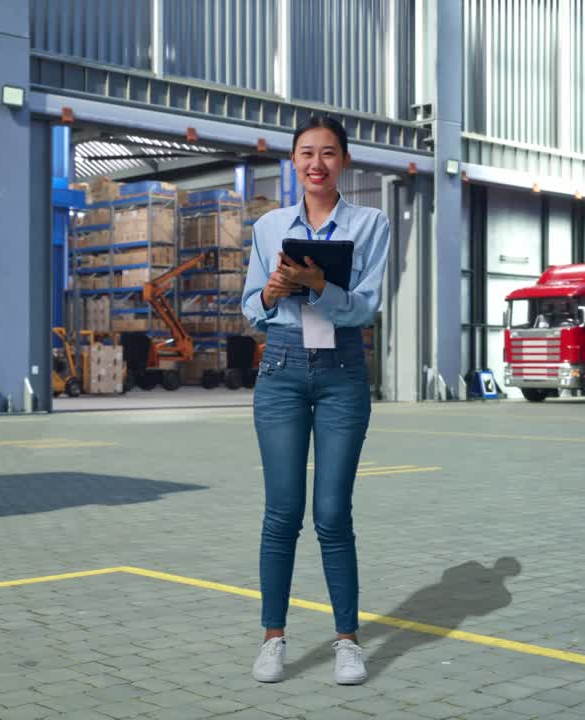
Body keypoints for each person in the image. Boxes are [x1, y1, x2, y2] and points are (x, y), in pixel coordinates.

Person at [241, 116, 391, 686]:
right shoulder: (270, 225)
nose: (317, 163)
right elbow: (252, 310)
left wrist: (317, 284)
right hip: (279, 370)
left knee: (332, 514)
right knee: (281, 514)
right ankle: (273, 639)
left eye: (329, 153)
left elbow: (365, 307)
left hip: (342, 372)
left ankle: (347, 642)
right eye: (306, 153)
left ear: (345, 162)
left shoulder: (369, 223)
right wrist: (273, 291)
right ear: (293, 161)